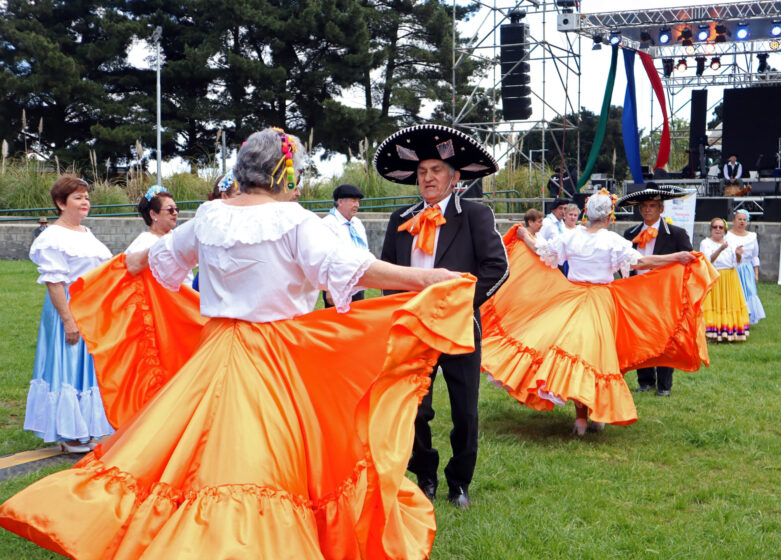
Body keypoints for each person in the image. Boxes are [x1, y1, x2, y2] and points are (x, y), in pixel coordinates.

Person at [0, 128, 477, 559]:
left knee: (194, 454)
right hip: (272, 357)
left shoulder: (210, 216)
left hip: (214, 350)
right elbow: (358, 268)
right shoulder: (294, 221)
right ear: (283, 171)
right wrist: (426, 276)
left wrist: (123, 266)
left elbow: (151, 260)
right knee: (263, 459)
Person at [480, 191, 715, 436]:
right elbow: (641, 263)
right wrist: (676, 257)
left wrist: (525, 237)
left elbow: (543, 251)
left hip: (573, 299)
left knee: (579, 355)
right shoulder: (610, 240)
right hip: (600, 302)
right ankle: (593, 415)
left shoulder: (572, 237)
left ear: (586, 213)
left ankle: (583, 419)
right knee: (597, 358)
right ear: (609, 216)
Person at [376, 124, 509, 510]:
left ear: (454, 178)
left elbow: (496, 267)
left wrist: (457, 306)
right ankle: (426, 475)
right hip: (413, 330)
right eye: (422, 172)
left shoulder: (475, 215)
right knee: (415, 408)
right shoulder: (400, 217)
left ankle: (460, 481)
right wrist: (401, 310)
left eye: (436, 170)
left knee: (465, 410)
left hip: (459, 329)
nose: (428, 178)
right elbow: (387, 272)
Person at [24, 175, 114, 453]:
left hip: (92, 309)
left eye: (86, 197)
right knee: (68, 365)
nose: (85, 201)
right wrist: (67, 320)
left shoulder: (87, 233)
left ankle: (83, 426)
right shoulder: (52, 237)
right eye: (78, 197)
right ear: (61, 203)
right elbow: (55, 282)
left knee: (86, 369)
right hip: (69, 307)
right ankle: (67, 432)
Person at [620, 183, 694, 396]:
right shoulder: (629, 233)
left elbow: (689, 261)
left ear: (661, 209)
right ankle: (644, 380)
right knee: (639, 335)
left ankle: (664, 385)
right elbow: (622, 262)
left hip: (665, 296)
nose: (648, 209)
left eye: (653, 206)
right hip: (637, 295)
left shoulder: (677, 234)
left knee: (665, 337)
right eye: (644, 206)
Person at [126, 185, 193, 287]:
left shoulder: (178, 237)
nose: (174, 213)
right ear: (153, 214)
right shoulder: (143, 243)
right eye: (170, 209)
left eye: (176, 209)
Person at [700, 218, 750, 342]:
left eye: (720, 227)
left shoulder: (730, 243)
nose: (717, 229)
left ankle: (730, 332)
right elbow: (707, 261)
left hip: (729, 277)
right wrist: (720, 249)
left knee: (729, 304)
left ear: (725, 230)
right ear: (711, 229)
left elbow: (736, 262)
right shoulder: (705, 243)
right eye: (715, 227)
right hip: (714, 276)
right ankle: (712, 333)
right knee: (715, 304)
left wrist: (738, 254)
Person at [321, 183, 368, 307]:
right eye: (353, 201)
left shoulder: (357, 223)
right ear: (340, 202)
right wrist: (328, 289)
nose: (357, 205)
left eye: (358, 202)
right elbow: (325, 259)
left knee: (357, 321)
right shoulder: (328, 224)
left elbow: (365, 251)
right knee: (336, 324)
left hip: (357, 283)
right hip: (337, 285)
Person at [726, 209, 766, 325]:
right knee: (735, 293)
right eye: (739, 219)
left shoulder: (752, 236)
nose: (742, 222)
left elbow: (755, 256)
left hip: (747, 269)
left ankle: (748, 317)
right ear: (734, 220)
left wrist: (756, 273)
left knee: (749, 292)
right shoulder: (728, 235)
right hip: (733, 267)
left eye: (744, 219)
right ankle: (735, 317)